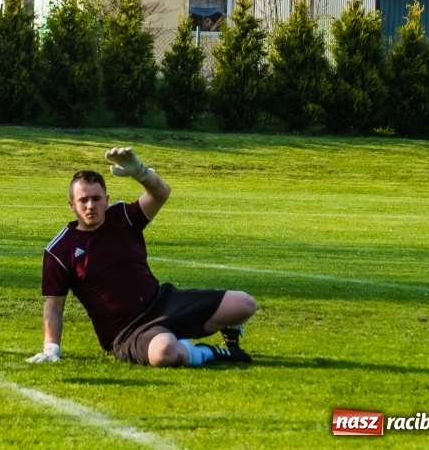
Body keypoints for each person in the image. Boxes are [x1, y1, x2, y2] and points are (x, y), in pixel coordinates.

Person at [27, 147, 257, 367]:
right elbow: (54, 306)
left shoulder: (122, 217)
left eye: (96, 199)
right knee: (164, 352)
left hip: (163, 302)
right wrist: (51, 348)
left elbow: (161, 193)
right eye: (83, 200)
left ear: (106, 199)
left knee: (245, 304)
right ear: (71, 205)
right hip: (127, 331)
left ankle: (226, 330)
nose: (90, 206)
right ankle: (208, 352)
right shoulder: (59, 250)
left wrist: (141, 172)